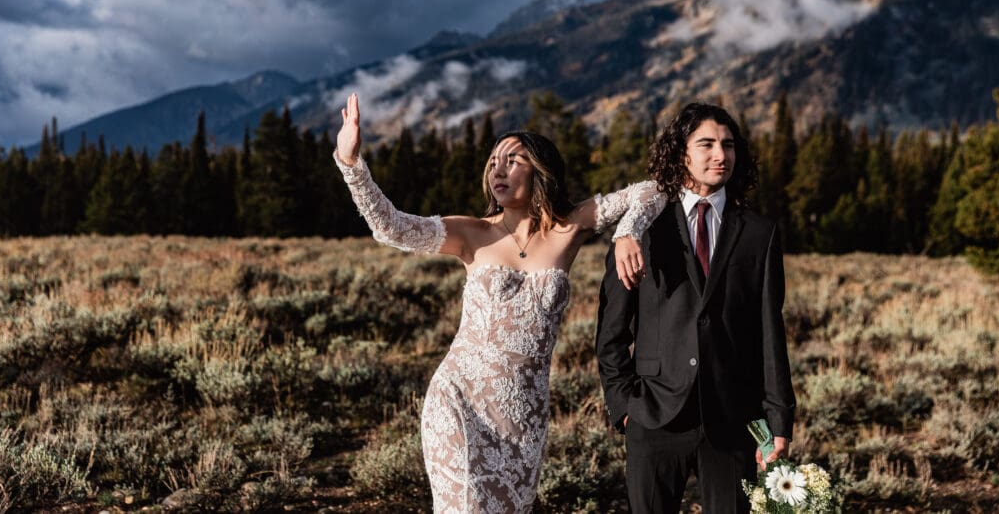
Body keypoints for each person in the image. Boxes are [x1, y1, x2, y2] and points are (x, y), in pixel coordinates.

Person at [333, 93, 666, 513]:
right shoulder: (471, 233)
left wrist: (627, 233)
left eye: (513, 160)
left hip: (524, 416)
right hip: (460, 397)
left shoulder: (569, 228)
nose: (498, 170)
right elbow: (392, 227)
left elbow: (653, 191)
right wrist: (351, 164)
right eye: (493, 162)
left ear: (540, 171)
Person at [596, 102, 796, 513]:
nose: (721, 155)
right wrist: (625, 407)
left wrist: (778, 420)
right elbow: (611, 330)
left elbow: (769, 332)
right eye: (706, 144)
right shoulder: (642, 228)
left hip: (734, 418)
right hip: (653, 415)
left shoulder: (759, 233)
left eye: (728, 144)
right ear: (680, 153)